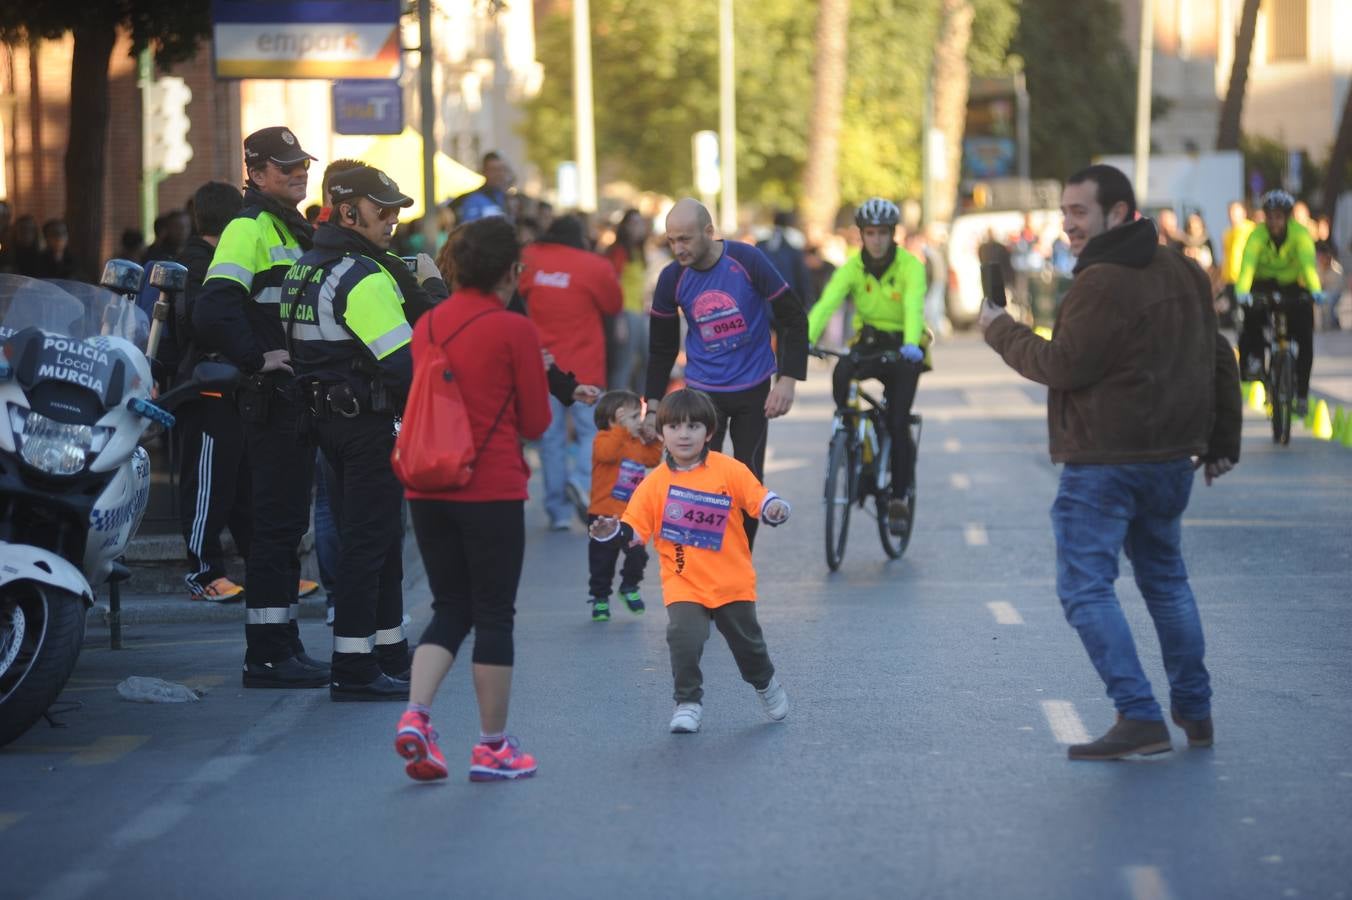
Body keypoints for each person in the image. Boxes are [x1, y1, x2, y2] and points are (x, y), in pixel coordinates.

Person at [980, 163, 1242, 761]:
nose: (1067, 224)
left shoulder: (1100, 283)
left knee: (1084, 587)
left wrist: (1001, 331)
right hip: (1171, 459)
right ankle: (1195, 712)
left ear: (1119, 213)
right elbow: (1219, 355)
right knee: (1167, 582)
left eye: (1079, 213)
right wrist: (1223, 439)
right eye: (1065, 212)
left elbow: (1063, 366)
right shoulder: (1184, 270)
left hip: (1105, 461)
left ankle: (1139, 714)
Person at [392, 216, 551, 782]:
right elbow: (536, 419)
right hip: (490, 487)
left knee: (449, 607)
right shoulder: (514, 331)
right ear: (511, 271)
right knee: (493, 615)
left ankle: (416, 715)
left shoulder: (429, 323)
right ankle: (491, 746)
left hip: (427, 485)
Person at [284, 164, 447, 700]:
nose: (394, 220)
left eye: (397, 209)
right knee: (369, 545)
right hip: (367, 427)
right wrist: (430, 291)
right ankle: (356, 666)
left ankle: (387, 651)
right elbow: (408, 364)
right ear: (348, 211)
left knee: (374, 543)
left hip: (327, 425)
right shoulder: (364, 277)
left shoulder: (308, 266)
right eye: (384, 209)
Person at [193, 126, 327, 689]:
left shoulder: (285, 227)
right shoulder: (249, 227)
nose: (298, 172)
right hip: (270, 402)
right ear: (256, 171)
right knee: (275, 531)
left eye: (301, 164)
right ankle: (268, 656)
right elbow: (213, 309)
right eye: (285, 165)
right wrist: (257, 358)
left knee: (285, 528)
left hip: (290, 403)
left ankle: (283, 647)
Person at [588, 388, 792, 734]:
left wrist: (774, 508)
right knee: (684, 638)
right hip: (684, 581)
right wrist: (611, 530)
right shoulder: (655, 484)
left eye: (694, 427)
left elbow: (758, 498)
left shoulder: (729, 469)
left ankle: (765, 682)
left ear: (709, 433)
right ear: (662, 432)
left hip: (732, 580)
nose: (684, 435)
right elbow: (633, 528)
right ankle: (687, 702)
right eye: (675, 427)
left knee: (749, 646)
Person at [643, 198, 809, 548]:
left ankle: (739, 558)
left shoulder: (746, 260)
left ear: (708, 232)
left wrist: (788, 381)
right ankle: (705, 561)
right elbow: (660, 349)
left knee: (748, 481)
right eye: (672, 240)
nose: (678, 248)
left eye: (685, 239)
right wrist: (654, 406)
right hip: (703, 392)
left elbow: (794, 316)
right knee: (700, 481)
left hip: (753, 388)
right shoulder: (672, 278)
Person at [807, 198, 927, 535]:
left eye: (883, 233)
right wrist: (805, 338)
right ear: (861, 234)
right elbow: (826, 303)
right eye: (870, 233)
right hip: (869, 344)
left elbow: (914, 305)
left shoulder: (910, 266)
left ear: (893, 235)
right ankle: (852, 437)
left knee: (899, 420)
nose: (876, 240)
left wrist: (911, 341)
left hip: (905, 349)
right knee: (842, 372)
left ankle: (899, 497)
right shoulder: (852, 267)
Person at [159, 181, 252, 603]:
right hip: (203, 388)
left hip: (224, 386)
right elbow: (201, 326)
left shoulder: (210, 260)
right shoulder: (197, 266)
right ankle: (203, 573)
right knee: (207, 481)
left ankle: (262, 570)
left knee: (236, 482)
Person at [520, 215, 623, 530]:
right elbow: (613, 304)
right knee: (593, 432)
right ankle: (580, 481)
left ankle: (558, 512)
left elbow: (513, 294)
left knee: (550, 439)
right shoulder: (594, 265)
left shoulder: (530, 258)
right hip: (585, 364)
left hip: (543, 363)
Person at [1235, 189, 1326, 415]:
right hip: (1263, 282)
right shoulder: (1257, 235)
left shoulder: (1300, 234)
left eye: (1279, 216)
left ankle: (1302, 395)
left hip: (1292, 284)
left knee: (1305, 335)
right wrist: (1242, 293)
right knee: (1251, 315)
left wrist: (1315, 291)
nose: (1274, 222)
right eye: (1270, 216)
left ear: (1287, 217)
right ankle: (1255, 361)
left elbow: (1307, 265)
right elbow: (1247, 266)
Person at [585, 389, 662, 621]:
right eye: (633, 417)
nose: (638, 422)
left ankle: (629, 586)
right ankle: (600, 598)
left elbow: (652, 460)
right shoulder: (604, 439)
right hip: (603, 513)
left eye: (640, 417)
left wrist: (653, 440)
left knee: (637, 554)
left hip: (631, 515)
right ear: (613, 419)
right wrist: (620, 429)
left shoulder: (635, 442)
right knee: (602, 561)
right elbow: (607, 455)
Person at [604, 209, 651, 392]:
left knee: (648, 359)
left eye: (640, 223)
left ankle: (642, 404)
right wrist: (619, 319)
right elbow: (613, 285)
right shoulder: (618, 252)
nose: (638, 227)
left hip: (640, 312)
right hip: (625, 313)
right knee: (624, 364)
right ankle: (616, 408)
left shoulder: (638, 251)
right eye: (633, 223)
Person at [756, 210, 812, 305]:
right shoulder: (795, 242)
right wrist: (806, 303)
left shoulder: (761, 243)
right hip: (787, 297)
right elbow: (801, 277)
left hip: (764, 299)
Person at [1219, 201, 1255, 328]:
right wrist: (1223, 277)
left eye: (1236, 212)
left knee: (1246, 310)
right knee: (1235, 312)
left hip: (1246, 277)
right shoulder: (1227, 233)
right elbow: (1226, 255)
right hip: (1230, 278)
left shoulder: (1251, 229)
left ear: (1244, 213)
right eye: (1231, 213)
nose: (1233, 216)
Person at [452, 151, 513, 224]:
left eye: (501, 169)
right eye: (493, 170)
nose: (498, 174)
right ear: (484, 172)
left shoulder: (508, 199)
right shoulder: (473, 200)